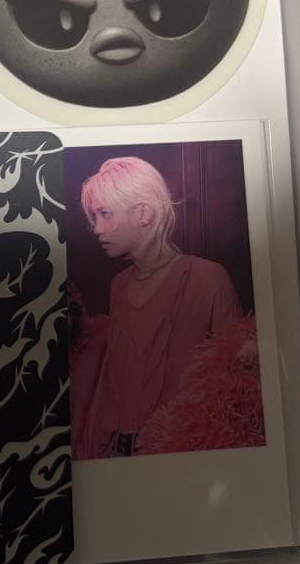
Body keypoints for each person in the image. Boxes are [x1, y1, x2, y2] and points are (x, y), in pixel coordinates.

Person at [70, 156, 244, 459]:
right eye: (94, 217)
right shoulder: (119, 285)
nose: (96, 228)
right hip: (117, 456)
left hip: (184, 457)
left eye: (105, 214)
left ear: (143, 213)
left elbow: (237, 386)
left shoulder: (208, 278)